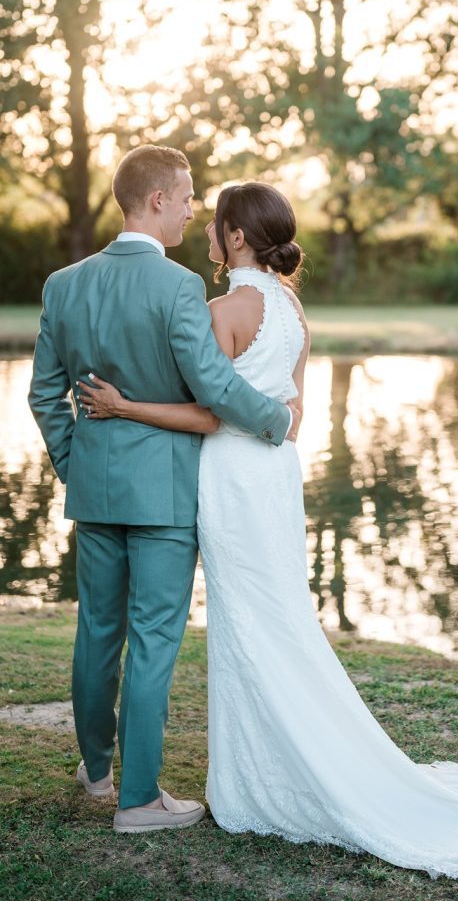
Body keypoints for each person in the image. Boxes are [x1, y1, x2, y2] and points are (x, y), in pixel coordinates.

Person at [78, 180, 458, 878]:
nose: (204, 231)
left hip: (230, 477)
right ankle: (285, 760)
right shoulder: (292, 308)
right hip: (275, 477)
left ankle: (269, 776)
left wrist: (126, 407)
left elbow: (209, 414)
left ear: (234, 237)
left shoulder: (223, 308)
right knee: (280, 617)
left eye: (213, 223)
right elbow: (293, 423)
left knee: (248, 623)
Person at [29, 148, 299, 835]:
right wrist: (276, 419)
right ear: (155, 201)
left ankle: (96, 771)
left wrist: (74, 462)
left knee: (96, 629)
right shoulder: (178, 287)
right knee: (153, 639)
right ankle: (140, 799)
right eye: (183, 198)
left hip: (96, 491)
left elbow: (44, 395)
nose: (189, 210)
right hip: (166, 495)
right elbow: (213, 389)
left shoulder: (63, 283)